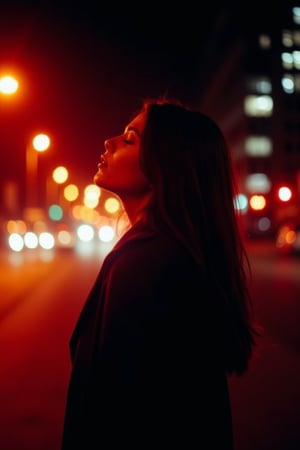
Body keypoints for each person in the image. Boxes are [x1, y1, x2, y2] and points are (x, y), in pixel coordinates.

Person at [61, 97, 258, 450]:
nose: (110, 142)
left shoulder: (145, 264)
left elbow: (123, 415)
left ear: (165, 166)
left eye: (130, 138)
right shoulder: (177, 255)